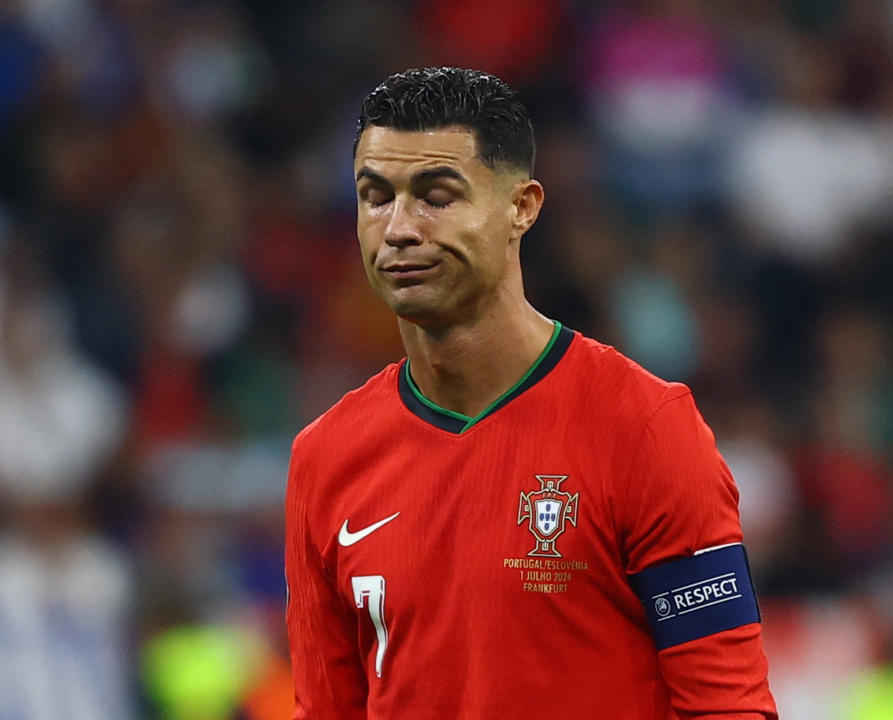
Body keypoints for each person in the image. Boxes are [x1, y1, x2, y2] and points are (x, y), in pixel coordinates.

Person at [285, 66, 778, 720]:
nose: (399, 228)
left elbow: (729, 708)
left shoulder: (645, 427)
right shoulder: (326, 459)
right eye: (376, 196)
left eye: (436, 195)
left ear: (521, 207)